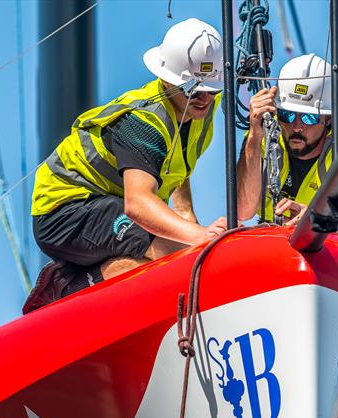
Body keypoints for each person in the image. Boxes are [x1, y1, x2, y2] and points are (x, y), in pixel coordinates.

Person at [25, 19, 227, 312]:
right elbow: (138, 205)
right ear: (168, 80)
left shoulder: (198, 108)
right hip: (63, 210)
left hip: (109, 206)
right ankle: (66, 289)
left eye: (214, 90)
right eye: (195, 91)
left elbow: (176, 166)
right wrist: (199, 236)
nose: (206, 98)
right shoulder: (143, 122)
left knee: (159, 255)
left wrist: (187, 218)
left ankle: (83, 280)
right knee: (177, 249)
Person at [237, 54, 338, 248]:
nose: (297, 126)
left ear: (329, 120)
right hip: (281, 227)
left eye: (309, 118)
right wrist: (254, 137)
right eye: (287, 115)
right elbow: (243, 210)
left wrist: (313, 218)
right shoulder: (261, 138)